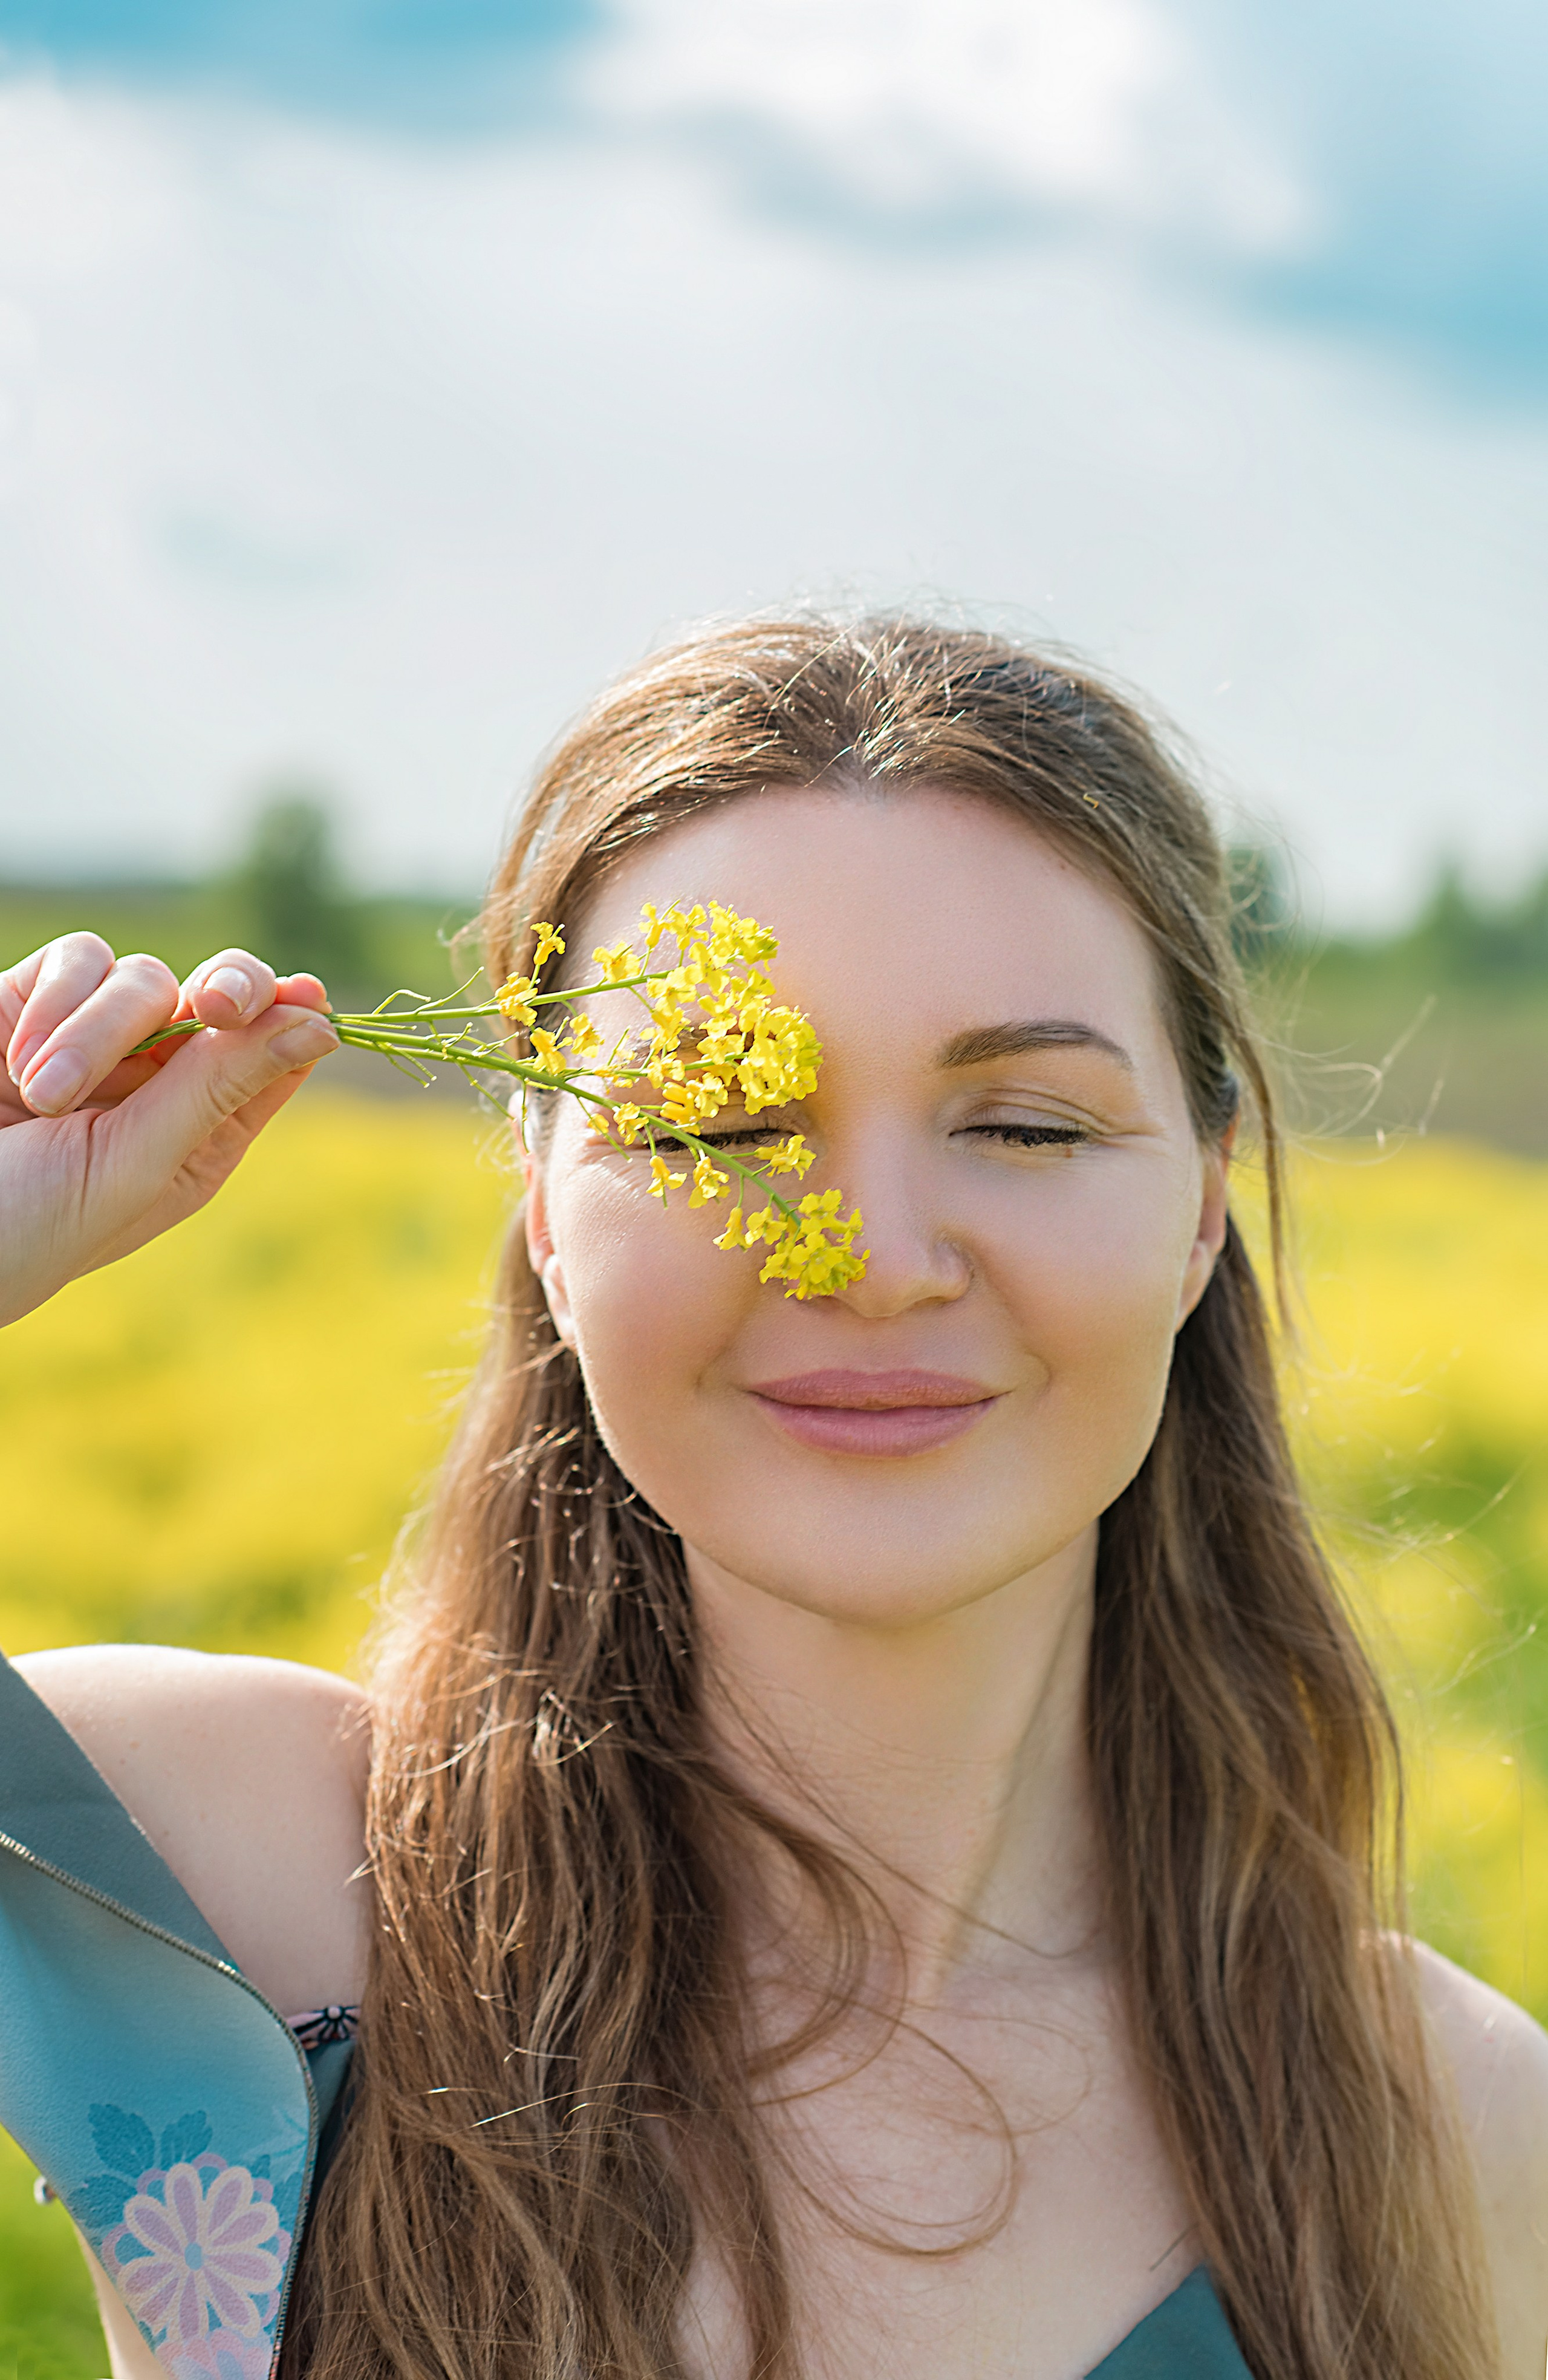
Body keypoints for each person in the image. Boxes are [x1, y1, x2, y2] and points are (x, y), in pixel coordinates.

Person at [2, 617, 1545, 2380]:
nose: (875, 1262)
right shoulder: (214, 1873)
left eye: (1029, 1125)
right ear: (546, 1223)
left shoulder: (1463, 2143)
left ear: (1204, 1210)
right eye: (721, 1132)